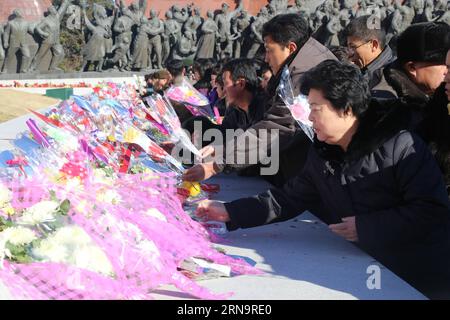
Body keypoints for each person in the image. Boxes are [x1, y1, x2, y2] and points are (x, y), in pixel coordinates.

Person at [195, 60, 450, 299]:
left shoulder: (400, 147)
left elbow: (431, 210)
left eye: (316, 109)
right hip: (364, 269)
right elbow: (287, 199)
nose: (309, 118)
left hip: (417, 278)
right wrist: (230, 212)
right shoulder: (324, 153)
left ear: (346, 109)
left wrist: (366, 227)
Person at [183, 14, 337, 186]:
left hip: (319, 175)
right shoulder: (308, 60)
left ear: (290, 48)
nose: (266, 58)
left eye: (270, 50)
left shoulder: (302, 76)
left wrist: (219, 161)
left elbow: (277, 127)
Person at [372, 22, 449, 102]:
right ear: (412, 67)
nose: (448, 71)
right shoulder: (387, 102)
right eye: (445, 64)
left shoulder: (432, 91)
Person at [343, 15, 396, 89]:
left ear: (373, 45)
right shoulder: (365, 69)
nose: (349, 54)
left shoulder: (388, 79)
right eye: (348, 47)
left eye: (353, 47)